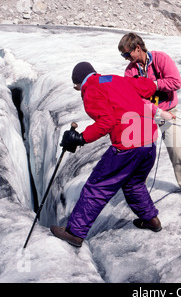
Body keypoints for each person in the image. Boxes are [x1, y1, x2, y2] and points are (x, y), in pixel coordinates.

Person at [50, 62, 174, 247]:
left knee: (97, 186)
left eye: (76, 86)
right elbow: (147, 86)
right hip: (149, 140)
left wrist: (81, 138)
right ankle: (151, 220)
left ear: (78, 83)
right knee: (134, 183)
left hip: (128, 144)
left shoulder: (91, 89)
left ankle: (74, 232)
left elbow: (106, 121)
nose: (77, 90)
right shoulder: (116, 79)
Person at [118, 33, 181, 205]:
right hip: (146, 114)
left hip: (168, 111)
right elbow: (133, 97)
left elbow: (176, 82)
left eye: (127, 54)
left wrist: (152, 85)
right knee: (140, 154)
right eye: (123, 56)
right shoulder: (130, 71)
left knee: (177, 150)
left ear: (138, 48)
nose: (126, 59)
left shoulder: (161, 59)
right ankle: (137, 190)